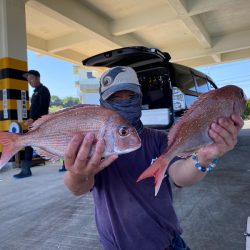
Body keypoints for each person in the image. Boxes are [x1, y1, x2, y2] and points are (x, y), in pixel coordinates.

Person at [63, 66, 243, 250]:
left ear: (140, 98)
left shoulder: (158, 139)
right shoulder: (93, 143)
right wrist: (77, 174)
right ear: (103, 102)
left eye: (130, 96)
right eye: (115, 98)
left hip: (168, 244)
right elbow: (77, 188)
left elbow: (180, 175)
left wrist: (204, 157)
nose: (124, 102)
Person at [13, 70, 51, 179]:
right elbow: (33, 108)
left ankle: (26, 171)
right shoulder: (35, 92)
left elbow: (43, 107)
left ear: (38, 78)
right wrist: (30, 118)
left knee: (50, 143)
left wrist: (33, 118)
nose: (29, 81)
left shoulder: (44, 90)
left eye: (32, 78)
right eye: (28, 80)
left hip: (41, 123)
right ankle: (26, 170)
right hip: (35, 122)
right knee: (32, 144)